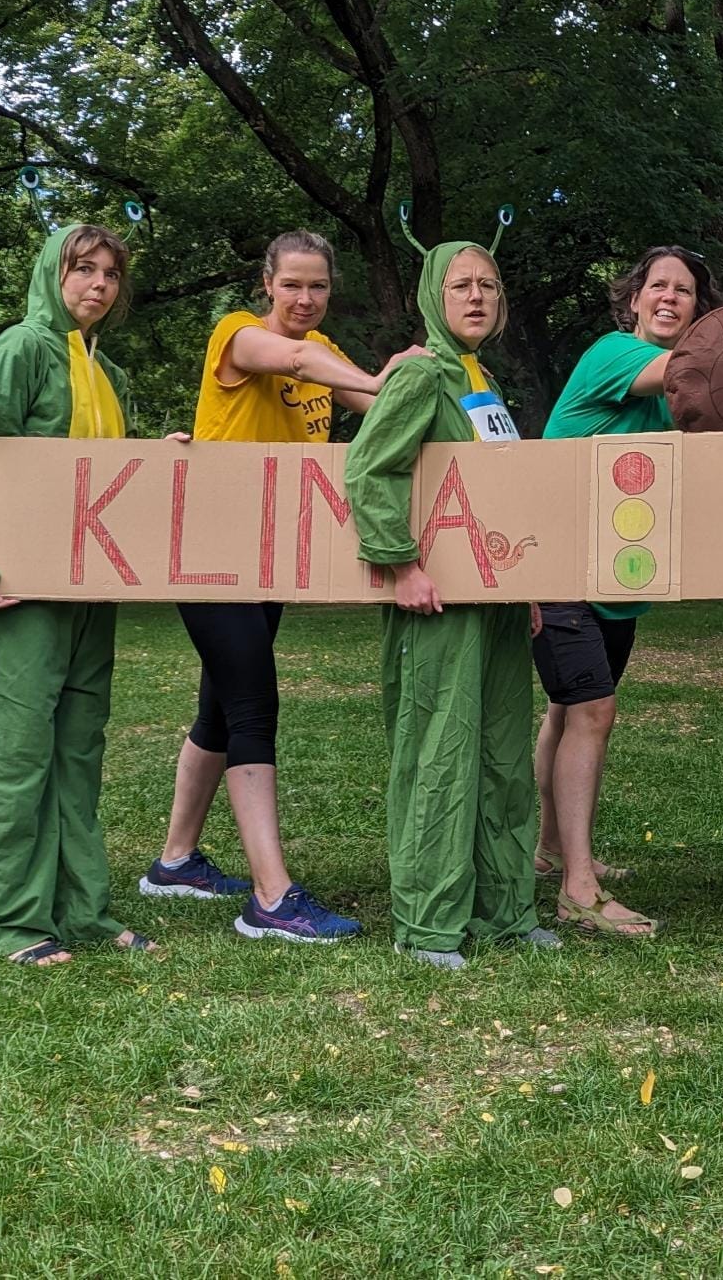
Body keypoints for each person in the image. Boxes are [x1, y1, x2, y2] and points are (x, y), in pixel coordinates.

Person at [139, 229, 426, 944]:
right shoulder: (237, 335)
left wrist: (425, 388)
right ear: (267, 283)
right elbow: (302, 359)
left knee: (218, 709)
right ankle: (271, 900)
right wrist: (389, 375)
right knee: (251, 707)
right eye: (293, 283)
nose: (305, 298)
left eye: (319, 286)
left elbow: (382, 414)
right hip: (209, 551)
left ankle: (174, 863)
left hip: (268, 558)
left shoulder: (321, 359)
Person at [344, 220, 554, 970]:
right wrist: (400, 566)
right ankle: (429, 925)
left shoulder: (481, 380)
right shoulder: (421, 374)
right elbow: (369, 471)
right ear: (436, 296)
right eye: (461, 285)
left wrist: (523, 586)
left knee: (502, 754)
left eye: (488, 285)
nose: (477, 295)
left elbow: (499, 494)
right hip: (435, 604)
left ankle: (505, 910)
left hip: (494, 604)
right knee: (440, 755)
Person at [0, 222, 152, 967]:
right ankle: (8, 923)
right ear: (51, 272)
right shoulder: (18, 352)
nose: (98, 284)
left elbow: (105, 474)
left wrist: (154, 461)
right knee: (15, 753)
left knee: (76, 748)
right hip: (17, 589)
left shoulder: (108, 372)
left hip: (88, 591)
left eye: (109, 274)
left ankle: (81, 910)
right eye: (83, 269)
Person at [533, 246, 723, 939]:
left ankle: (552, 851)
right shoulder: (614, 353)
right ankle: (577, 893)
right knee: (593, 713)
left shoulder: (678, 401)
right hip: (558, 567)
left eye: (686, 291)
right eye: (660, 287)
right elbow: (694, 369)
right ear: (634, 300)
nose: (671, 297)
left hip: (615, 581)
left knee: (565, 711)